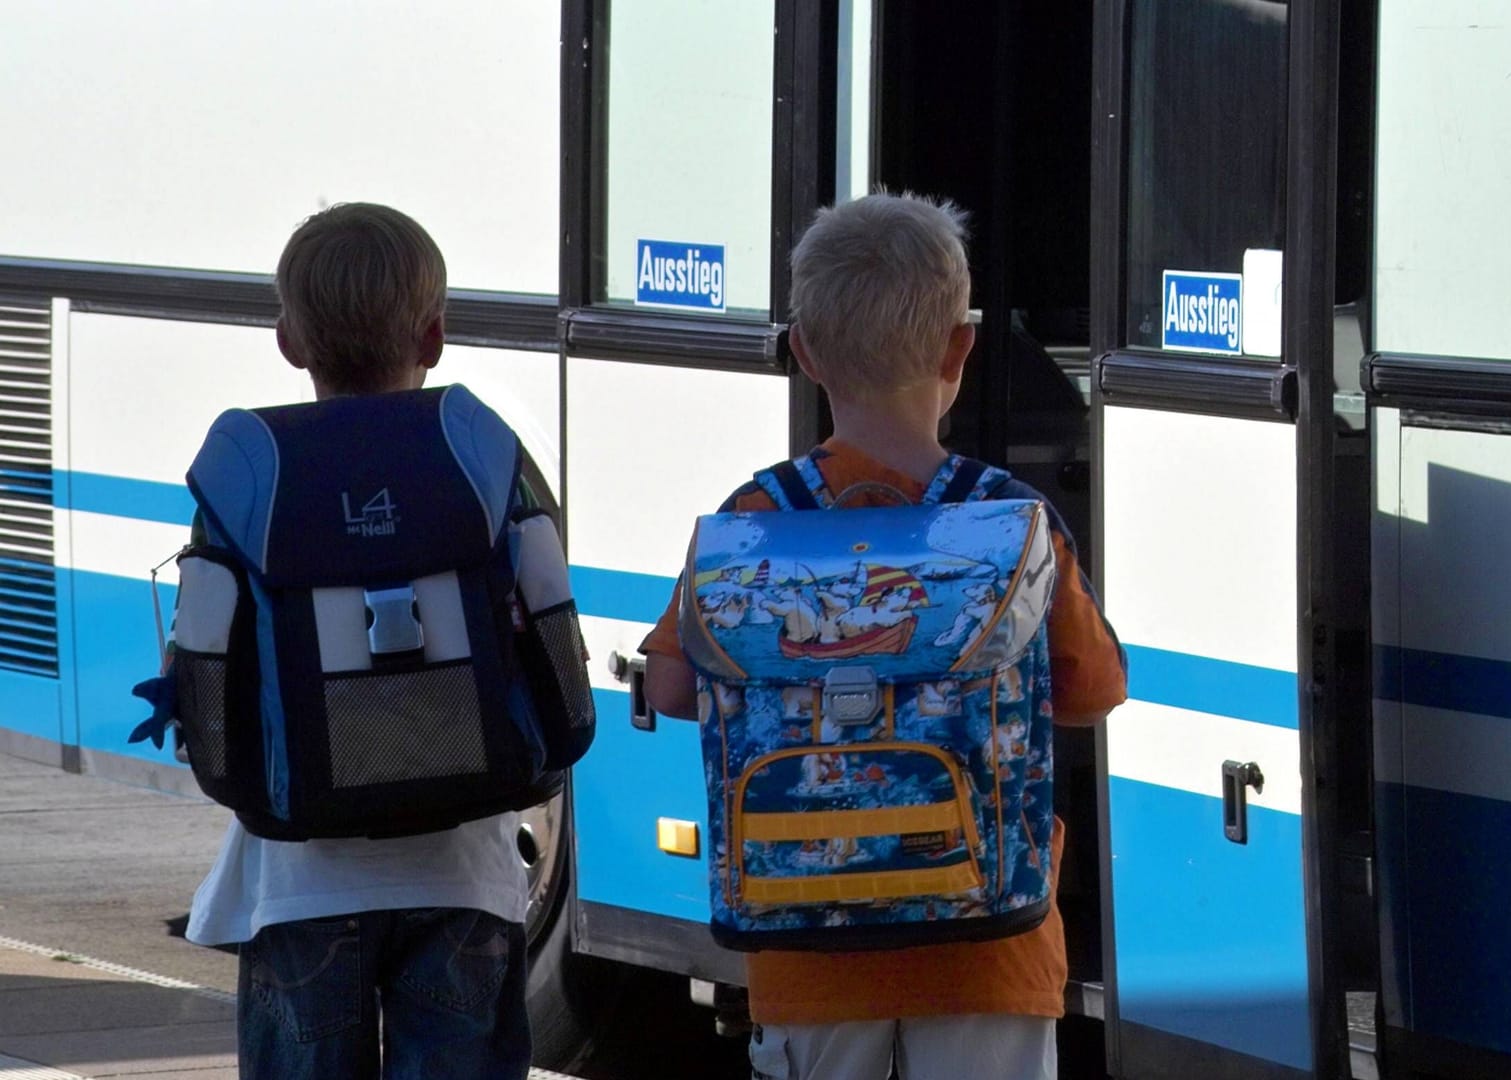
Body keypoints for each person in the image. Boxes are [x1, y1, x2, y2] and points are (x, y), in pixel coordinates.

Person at [642, 192, 1128, 1080]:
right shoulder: (1011, 522)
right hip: (991, 947)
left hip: (806, 952)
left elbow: (672, 687)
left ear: (803, 353)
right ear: (961, 347)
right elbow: (1094, 691)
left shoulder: (754, 523)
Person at [181, 203, 533, 1080]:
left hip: (297, 881)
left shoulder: (251, 477)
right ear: (436, 334)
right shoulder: (485, 462)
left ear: (289, 342)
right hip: (466, 879)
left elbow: (199, 675)